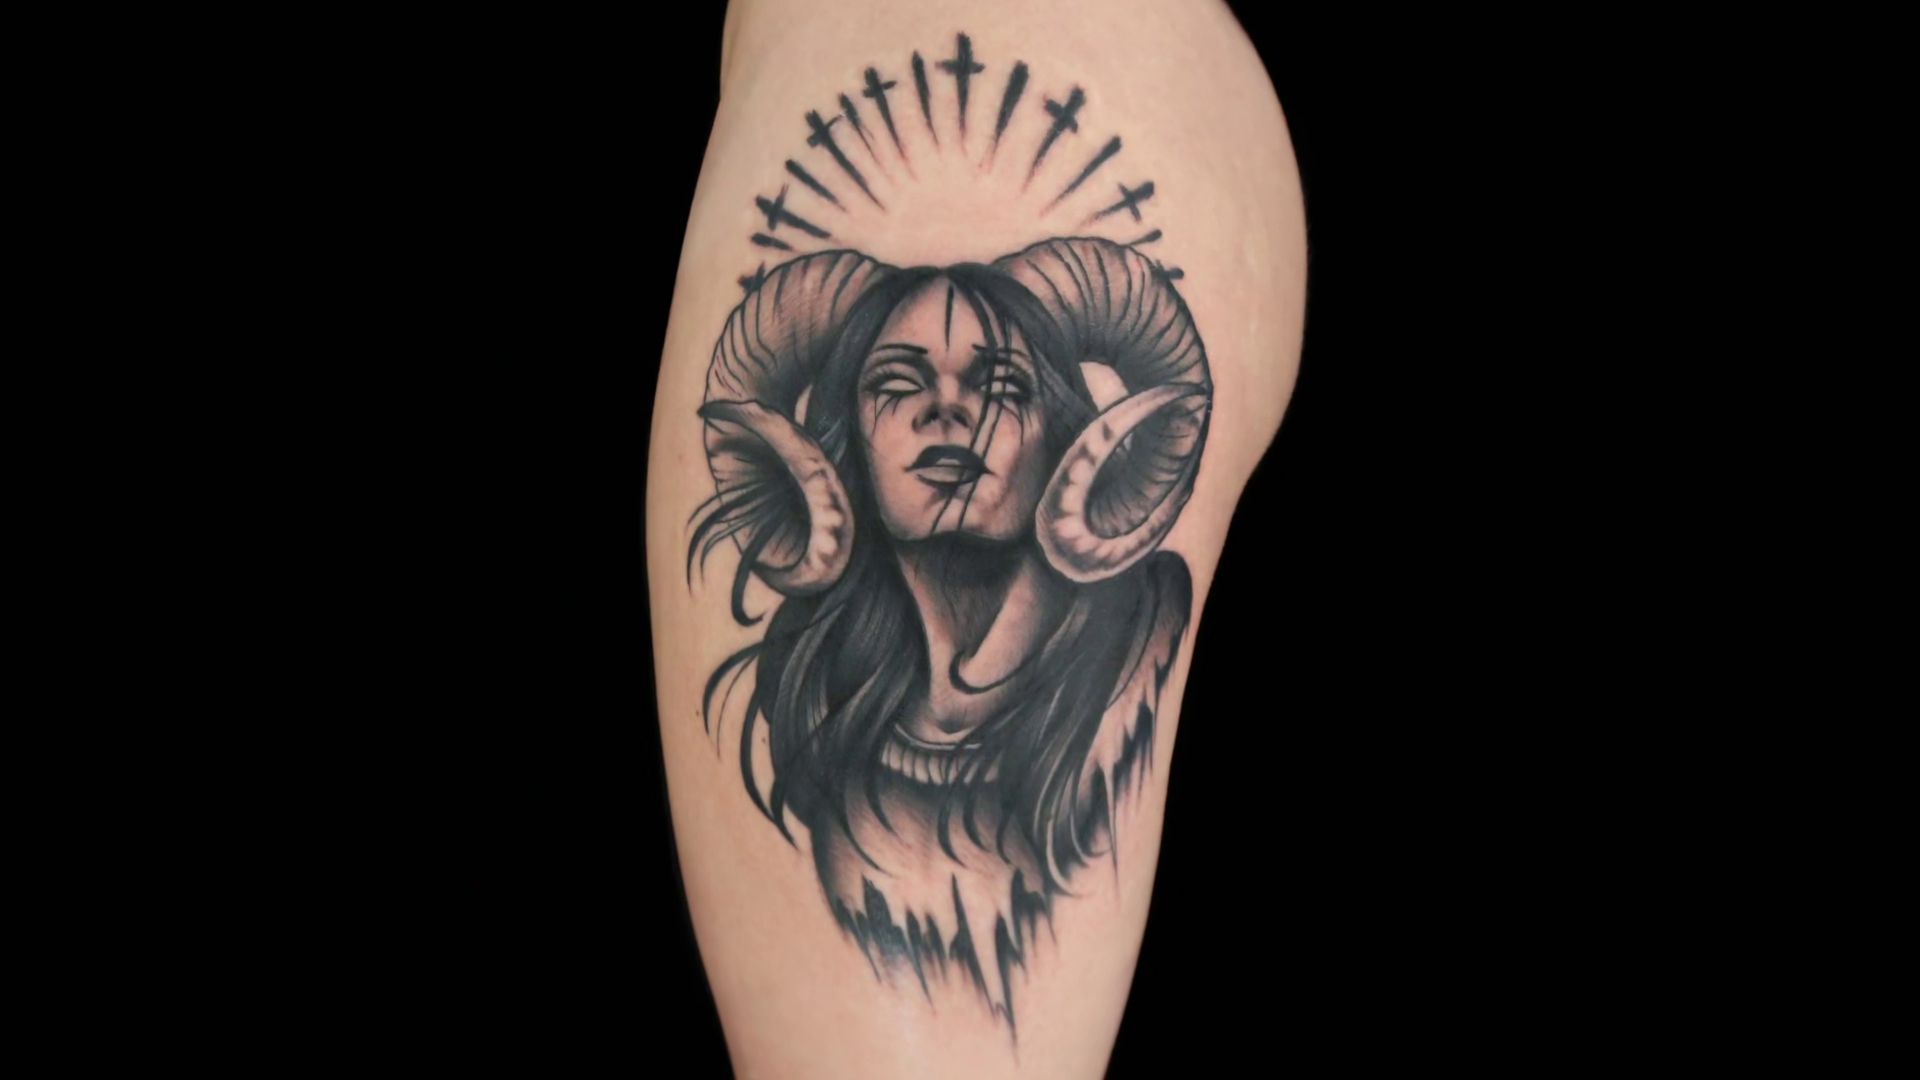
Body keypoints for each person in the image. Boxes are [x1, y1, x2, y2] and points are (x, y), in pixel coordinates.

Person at [648, 2, 1303, 1073]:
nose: (948, 412)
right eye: (895, 383)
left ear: (1070, 432)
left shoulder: (1003, 40)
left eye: (1001, 382)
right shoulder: (831, 700)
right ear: (836, 445)